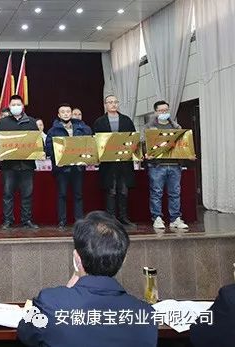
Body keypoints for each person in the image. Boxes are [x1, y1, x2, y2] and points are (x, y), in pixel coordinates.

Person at [17, 211, 157, 347]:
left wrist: (71, 285)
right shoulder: (147, 315)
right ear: (124, 260)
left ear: (76, 258)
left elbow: (24, 333)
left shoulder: (49, 303)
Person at [0, 95, 40, 229]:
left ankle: (26, 220)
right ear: (9, 107)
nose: (16, 107)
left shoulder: (31, 122)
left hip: (27, 165)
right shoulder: (3, 123)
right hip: (8, 165)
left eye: (18, 104)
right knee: (7, 194)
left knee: (27, 194)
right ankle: (8, 220)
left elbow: (37, 141)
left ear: (22, 106)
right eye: (13, 104)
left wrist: (40, 151)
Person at [45, 104, 92, 229]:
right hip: (62, 169)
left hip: (78, 167)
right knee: (62, 194)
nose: (66, 114)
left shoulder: (82, 128)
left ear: (71, 113)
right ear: (59, 115)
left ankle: (79, 221)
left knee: (78, 195)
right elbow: (48, 149)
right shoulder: (53, 131)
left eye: (68, 111)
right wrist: (58, 157)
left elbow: (88, 144)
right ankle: (62, 221)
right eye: (63, 112)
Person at [144, 100, 189, 230]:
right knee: (156, 192)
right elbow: (144, 143)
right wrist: (147, 153)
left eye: (166, 110)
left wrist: (188, 153)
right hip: (157, 165)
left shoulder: (176, 127)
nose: (164, 112)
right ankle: (157, 218)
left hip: (174, 164)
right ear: (155, 112)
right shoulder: (149, 127)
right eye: (161, 110)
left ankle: (175, 218)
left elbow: (183, 145)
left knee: (175, 193)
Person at [92, 95, 137, 227]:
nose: (113, 104)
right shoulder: (99, 122)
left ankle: (123, 217)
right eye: (110, 102)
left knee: (123, 190)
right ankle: (110, 218)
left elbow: (133, 139)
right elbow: (96, 141)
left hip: (124, 162)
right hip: (108, 163)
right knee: (111, 191)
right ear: (105, 105)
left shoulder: (126, 120)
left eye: (115, 102)